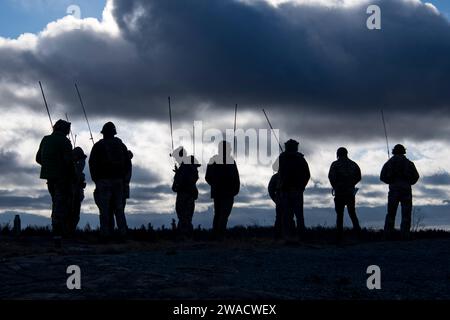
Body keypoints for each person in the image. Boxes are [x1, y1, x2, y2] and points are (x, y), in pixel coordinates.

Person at [89, 122, 131, 239]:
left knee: (105, 209)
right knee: (119, 209)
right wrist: (125, 180)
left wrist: (96, 180)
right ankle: (123, 233)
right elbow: (128, 163)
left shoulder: (98, 146)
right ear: (114, 133)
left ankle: (105, 234)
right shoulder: (121, 145)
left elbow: (92, 164)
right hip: (119, 181)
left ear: (103, 133)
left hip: (103, 182)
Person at [36, 119, 74, 245]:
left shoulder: (45, 139)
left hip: (49, 177)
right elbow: (69, 161)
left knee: (56, 202)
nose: (69, 132)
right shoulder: (64, 141)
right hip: (62, 178)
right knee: (61, 204)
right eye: (68, 129)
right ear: (64, 129)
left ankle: (58, 230)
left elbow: (38, 158)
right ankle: (58, 232)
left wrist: (49, 166)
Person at [272, 139, 310, 240]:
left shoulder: (282, 157)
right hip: (297, 191)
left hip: (284, 191)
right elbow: (307, 174)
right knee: (299, 215)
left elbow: (274, 168)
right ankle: (301, 237)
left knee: (287, 215)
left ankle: (288, 236)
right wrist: (302, 187)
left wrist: (283, 156)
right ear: (296, 147)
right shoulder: (301, 158)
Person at [380, 144, 419, 238]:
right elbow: (416, 177)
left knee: (391, 213)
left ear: (394, 151)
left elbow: (382, 177)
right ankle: (405, 235)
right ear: (403, 151)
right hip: (406, 191)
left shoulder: (389, 163)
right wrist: (409, 183)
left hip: (393, 191)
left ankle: (388, 235)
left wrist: (391, 181)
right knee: (406, 214)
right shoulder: (409, 163)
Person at [205, 141, 240, 240]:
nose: (230, 150)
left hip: (220, 192)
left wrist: (215, 185)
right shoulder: (230, 161)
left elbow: (208, 177)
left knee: (219, 214)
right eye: (229, 148)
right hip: (226, 193)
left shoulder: (215, 160)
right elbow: (236, 178)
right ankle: (219, 235)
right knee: (223, 215)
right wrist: (233, 189)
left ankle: (216, 235)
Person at [328, 147, 362, 243]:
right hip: (350, 192)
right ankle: (359, 235)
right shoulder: (353, 164)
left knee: (340, 215)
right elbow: (359, 176)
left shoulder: (335, 164)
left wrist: (336, 186)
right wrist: (351, 184)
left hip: (340, 193)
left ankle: (339, 237)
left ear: (338, 154)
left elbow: (331, 177)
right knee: (352, 213)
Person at [171, 147, 201, 237]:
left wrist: (178, 174)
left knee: (184, 217)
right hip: (187, 194)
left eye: (176, 157)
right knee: (185, 217)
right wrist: (178, 172)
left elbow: (183, 182)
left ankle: (185, 236)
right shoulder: (186, 166)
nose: (175, 159)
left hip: (185, 195)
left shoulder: (185, 166)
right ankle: (186, 236)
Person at [109, 149, 133, 234]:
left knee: (117, 209)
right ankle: (122, 230)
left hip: (120, 188)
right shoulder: (127, 163)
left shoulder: (125, 164)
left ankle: (119, 230)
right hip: (121, 188)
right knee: (119, 210)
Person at [67, 147, 87, 235]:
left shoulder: (78, 166)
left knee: (75, 214)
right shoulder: (74, 167)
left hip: (77, 193)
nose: (83, 161)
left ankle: (70, 231)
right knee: (72, 213)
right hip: (73, 193)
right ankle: (69, 231)